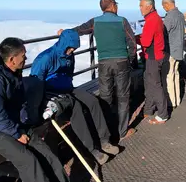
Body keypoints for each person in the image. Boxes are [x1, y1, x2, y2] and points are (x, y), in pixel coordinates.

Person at [0, 38, 69, 182]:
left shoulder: (13, 74)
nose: (26, 58)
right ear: (12, 59)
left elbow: (19, 104)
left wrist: (22, 126)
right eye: (23, 55)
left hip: (11, 125)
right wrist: (16, 134)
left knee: (47, 155)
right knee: (29, 161)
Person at [30, 29, 120, 165]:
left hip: (68, 88)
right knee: (76, 108)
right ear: (63, 44)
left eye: (74, 48)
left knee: (93, 101)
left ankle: (104, 140)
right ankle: (91, 149)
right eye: (70, 47)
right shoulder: (45, 58)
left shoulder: (69, 56)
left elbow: (69, 73)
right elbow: (35, 83)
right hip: (51, 93)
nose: (72, 50)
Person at [59, 0, 137, 141]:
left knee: (105, 97)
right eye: (116, 4)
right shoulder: (122, 21)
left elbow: (79, 30)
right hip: (121, 62)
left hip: (103, 63)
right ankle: (122, 131)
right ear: (113, 6)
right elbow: (132, 43)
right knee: (123, 97)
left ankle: (107, 133)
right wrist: (130, 60)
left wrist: (64, 32)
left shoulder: (95, 22)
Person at [139, 0, 169, 124]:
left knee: (155, 86)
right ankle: (149, 110)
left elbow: (145, 42)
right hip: (158, 56)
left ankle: (163, 114)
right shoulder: (156, 18)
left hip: (153, 58)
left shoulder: (151, 20)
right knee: (150, 84)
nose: (140, 8)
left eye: (141, 6)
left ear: (149, 6)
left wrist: (138, 38)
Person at [162, 0, 186, 108]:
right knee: (176, 73)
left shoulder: (170, 17)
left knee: (169, 75)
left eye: (163, 5)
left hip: (171, 50)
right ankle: (177, 99)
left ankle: (172, 101)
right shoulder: (180, 15)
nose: (163, 8)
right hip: (179, 48)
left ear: (167, 4)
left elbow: (163, 32)